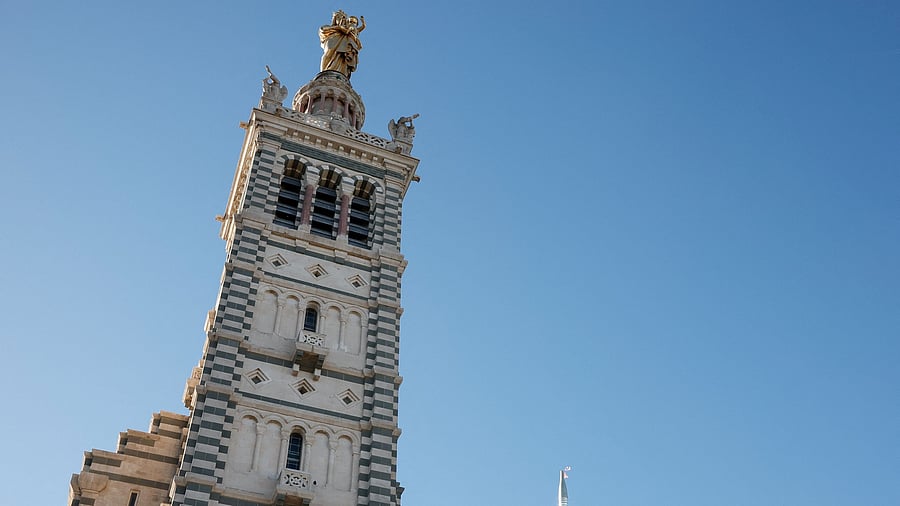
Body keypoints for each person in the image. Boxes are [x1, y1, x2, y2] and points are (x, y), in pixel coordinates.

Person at [319, 11, 366, 78]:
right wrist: (340, 28)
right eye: (350, 21)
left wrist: (363, 22)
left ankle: (340, 76)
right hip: (337, 40)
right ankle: (324, 72)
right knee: (329, 54)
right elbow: (323, 30)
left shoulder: (354, 29)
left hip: (348, 43)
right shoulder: (336, 28)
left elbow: (362, 27)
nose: (352, 23)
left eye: (354, 22)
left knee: (342, 57)